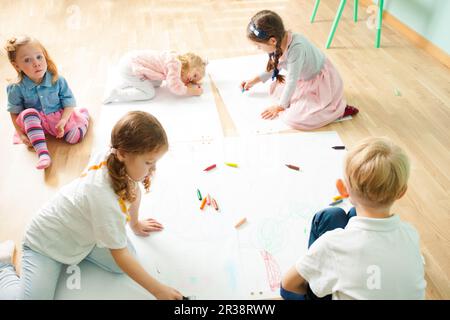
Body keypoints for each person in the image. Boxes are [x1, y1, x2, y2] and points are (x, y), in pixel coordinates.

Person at [0, 111, 184, 300]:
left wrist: (135, 225)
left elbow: (133, 192)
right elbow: (120, 254)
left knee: (128, 262)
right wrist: (158, 290)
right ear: (122, 153)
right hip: (46, 243)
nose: (152, 169)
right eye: (149, 163)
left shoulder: (115, 159)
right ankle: (3, 267)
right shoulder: (103, 200)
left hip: (82, 236)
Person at [281, 137, 426, 299]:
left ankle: (317, 273)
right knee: (344, 215)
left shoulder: (332, 244)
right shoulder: (410, 234)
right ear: (401, 192)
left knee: (328, 217)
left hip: (335, 267)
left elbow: (288, 284)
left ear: (344, 189)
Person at [241, 10, 358, 130]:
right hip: (304, 80)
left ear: (272, 41)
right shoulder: (280, 40)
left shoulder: (297, 48)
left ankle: (338, 111)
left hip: (320, 82)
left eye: (259, 46)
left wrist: (279, 107)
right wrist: (253, 81)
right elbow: (275, 67)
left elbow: (292, 80)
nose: (258, 48)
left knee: (294, 119)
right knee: (275, 89)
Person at [5, 36, 90, 169]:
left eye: (39, 57)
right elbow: (14, 113)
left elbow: (69, 103)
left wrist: (63, 120)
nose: (36, 63)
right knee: (28, 113)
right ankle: (43, 154)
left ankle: (84, 117)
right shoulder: (16, 88)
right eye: (27, 60)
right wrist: (21, 134)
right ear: (17, 65)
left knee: (74, 138)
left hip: (58, 119)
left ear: (45, 56)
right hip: (35, 122)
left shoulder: (57, 80)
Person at [103, 50, 206, 103]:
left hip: (129, 60)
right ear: (190, 62)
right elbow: (174, 86)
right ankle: (118, 94)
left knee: (157, 83)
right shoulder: (175, 64)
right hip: (131, 68)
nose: (191, 80)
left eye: (194, 80)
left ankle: (130, 82)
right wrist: (192, 91)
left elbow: (173, 79)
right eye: (195, 75)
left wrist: (186, 82)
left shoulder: (174, 58)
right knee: (149, 93)